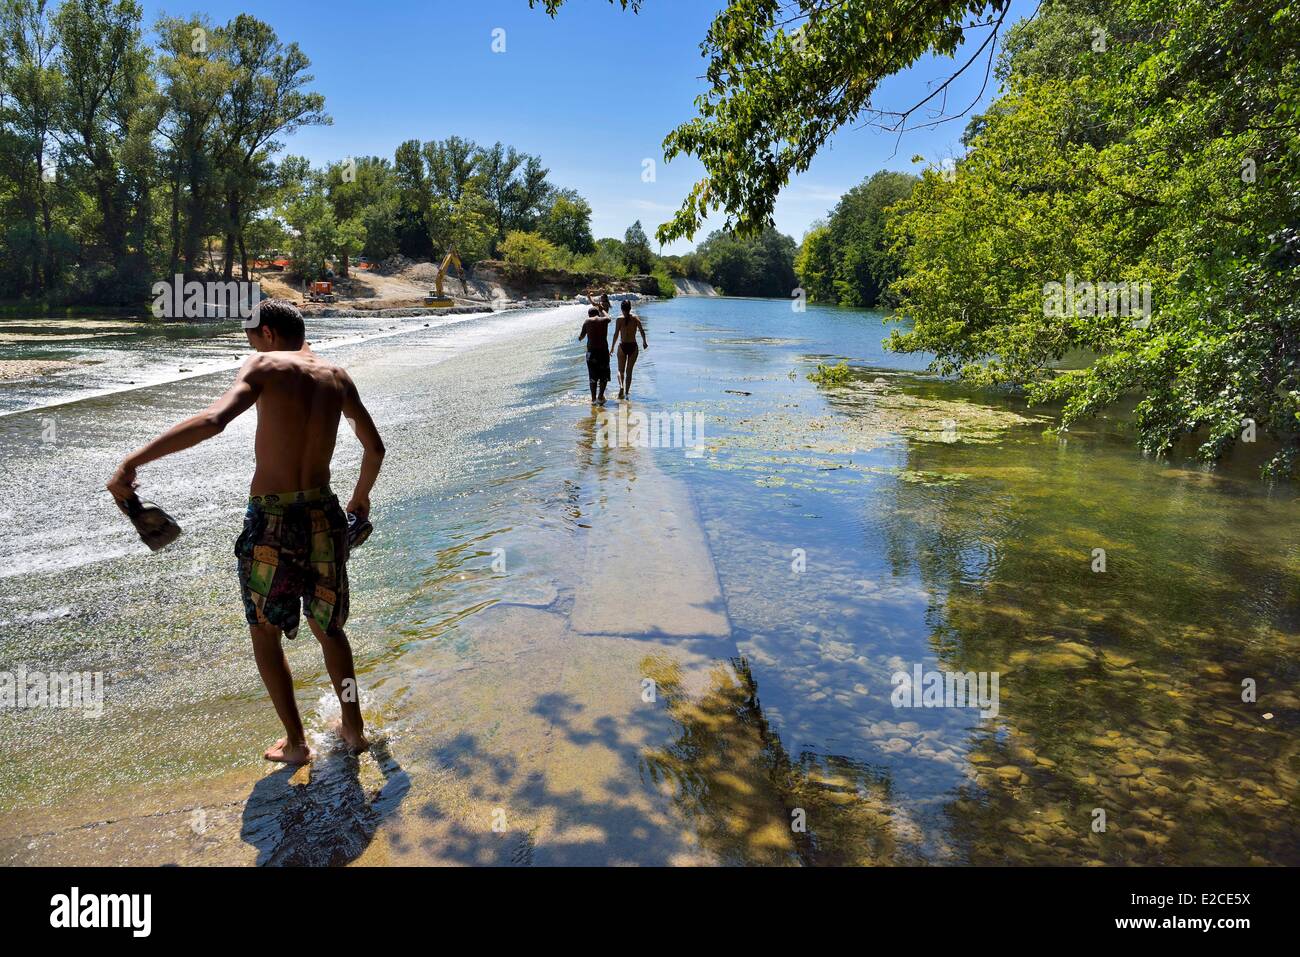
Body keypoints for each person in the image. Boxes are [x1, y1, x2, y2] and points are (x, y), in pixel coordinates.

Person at [105, 300, 386, 765]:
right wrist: (361, 498)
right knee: (330, 629)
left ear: (269, 334)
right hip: (324, 515)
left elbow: (214, 421)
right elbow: (373, 447)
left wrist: (132, 463)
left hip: (272, 520)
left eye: (249, 335)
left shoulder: (265, 365)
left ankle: (297, 744)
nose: (248, 345)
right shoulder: (337, 376)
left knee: (265, 630)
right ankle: (354, 731)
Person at [610, 299, 648, 399]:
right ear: (630, 308)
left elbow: (615, 334)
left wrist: (612, 347)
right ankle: (626, 393)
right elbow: (642, 331)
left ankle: (621, 386)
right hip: (633, 347)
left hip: (622, 346)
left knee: (620, 371)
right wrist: (644, 342)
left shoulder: (619, 319)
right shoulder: (635, 318)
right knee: (629, 372)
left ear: (621, 309)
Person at [579, 306, 612, 404]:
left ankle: (593, 399)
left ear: (589, 315)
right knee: (604, 376)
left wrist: (579, 338)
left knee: (592, 376)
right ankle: (600, 396)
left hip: (592, 353)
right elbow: (609, 317)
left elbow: (582, 336)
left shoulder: (587, 321)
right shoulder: (604, 320)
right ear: (598, 314)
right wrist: (602, 309)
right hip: (603, 352)